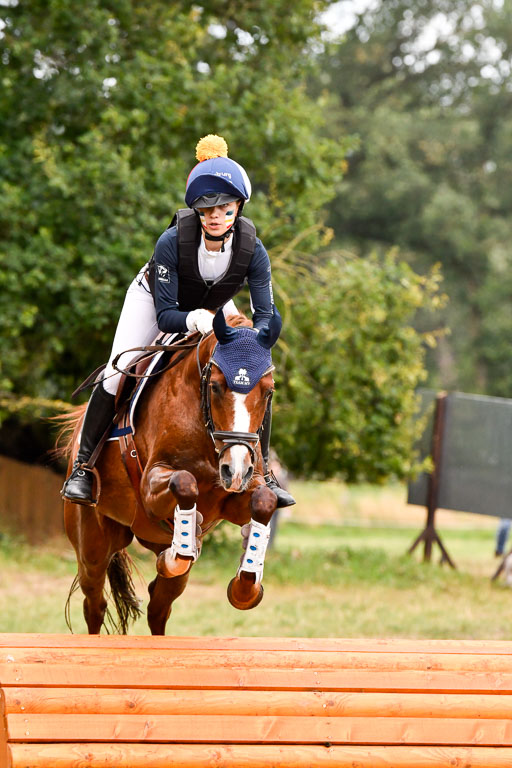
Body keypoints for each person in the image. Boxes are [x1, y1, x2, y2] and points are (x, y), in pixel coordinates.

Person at [61, 134, 295, 510]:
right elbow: (167, 315)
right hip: (155, 299)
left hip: (214, 302)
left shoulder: (253, 249)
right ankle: (83, 468)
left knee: (250, 374)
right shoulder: (172, 241)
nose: (215, 215)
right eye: (207, 209)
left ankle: (262, 472)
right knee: (116, 371)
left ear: (238, 206)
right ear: (198, 212)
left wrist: (259, 340)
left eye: (223, 206)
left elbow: (265, 312)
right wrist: (199, 319)